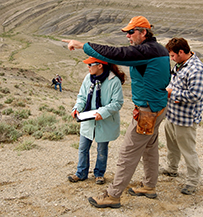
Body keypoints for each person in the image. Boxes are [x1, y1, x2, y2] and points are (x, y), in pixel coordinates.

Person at [63, 15, 171, 208]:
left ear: (143, 32)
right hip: (157, 107)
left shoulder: (147, 51)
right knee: (150, 147)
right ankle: (149, 185)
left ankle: (113, 195)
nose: (128, 36)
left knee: (128, 152)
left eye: (131, 32)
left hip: (147, 112)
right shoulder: (158, 49)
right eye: (126, 33)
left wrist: (83, 45)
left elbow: (117, 54)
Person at [161, 38, 203, 195]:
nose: (172, 58)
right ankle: (172, 168)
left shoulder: (197, 70)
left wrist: (172, 93)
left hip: (186, 119)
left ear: (181, 52)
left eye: (173, 55)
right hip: (172, 115)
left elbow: (196, 95)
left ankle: (192, 181)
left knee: (188, 151)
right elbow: (174, 83)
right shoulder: (181, 64)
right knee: (172, 146)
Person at [68, 56, 125, 185]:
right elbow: (82, 97)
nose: (88, 67)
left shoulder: (114, 81)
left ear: (100, 66)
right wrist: (77, 108)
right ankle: (81, 173)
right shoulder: (88, 78)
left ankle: (99, 174)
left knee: (102, 150)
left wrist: (102, 112)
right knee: (83, 148)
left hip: (104, 121)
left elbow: (117, 103)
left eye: (90, 65)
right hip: (88, 121)